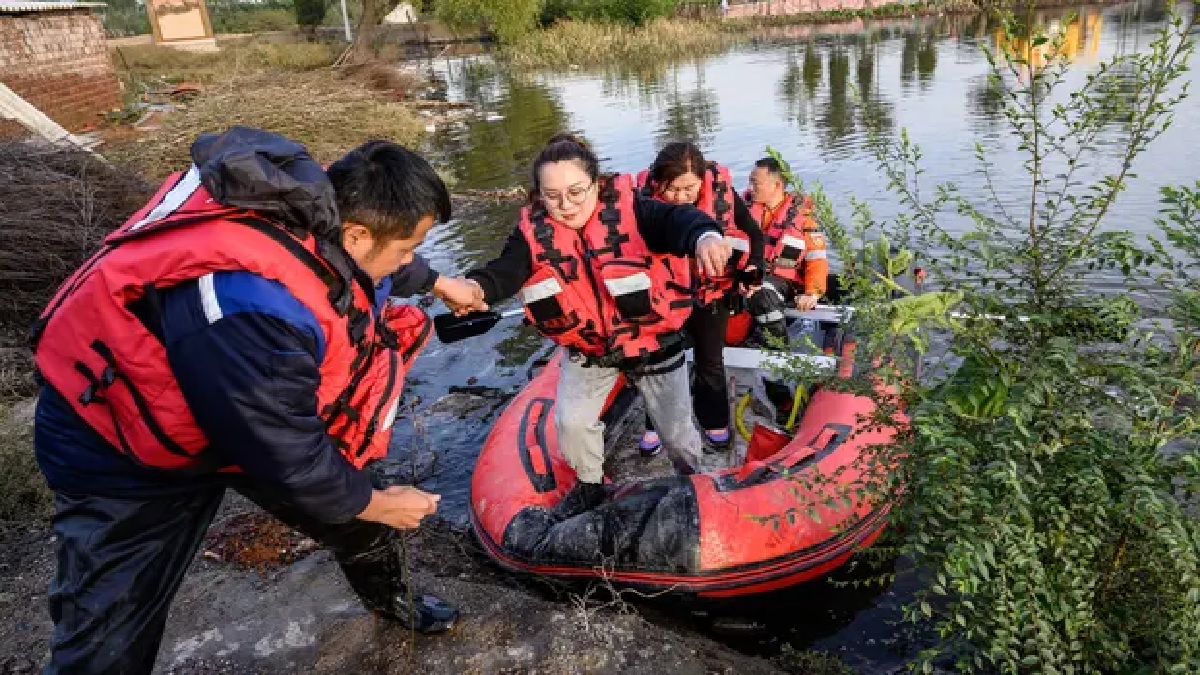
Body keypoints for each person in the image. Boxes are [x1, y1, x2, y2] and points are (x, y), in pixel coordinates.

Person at [30, 127, 484, 673]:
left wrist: (438, 282)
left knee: (357, 513)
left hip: (235, 400)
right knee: (110, 625)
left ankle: (395, 600)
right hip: (121, 443)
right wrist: (379, 502)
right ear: (357, 234)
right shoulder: (255, 310)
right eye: (409, 249)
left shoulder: (324, 213)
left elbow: (378, 258)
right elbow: (287, 455)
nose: (410, 258)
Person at [461, 134, 733, 516]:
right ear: (539, 194)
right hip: (590, 350)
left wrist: (705, 236)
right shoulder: (531, 234)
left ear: (595, 184)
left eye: (575, 192)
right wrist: (474, 287)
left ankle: (690, 479)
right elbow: (504, 272)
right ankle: (590, 486)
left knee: (676, 431)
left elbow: (677, 220)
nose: (565, 205)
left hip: (653, 341)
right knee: (571, 424)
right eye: (552, 195)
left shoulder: (634, 210)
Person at [634, 142, 764, 455]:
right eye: (672, 189)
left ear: (702, 181)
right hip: (662, 297)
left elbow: (754, 234)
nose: (681, 197)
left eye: (689, 188)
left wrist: (754, 269)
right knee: (657, 362)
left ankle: (713, 420)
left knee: (710, 360)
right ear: (657, 183)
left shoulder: (722, 193)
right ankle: (656, 423)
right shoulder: (642, 204)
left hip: (710, 293)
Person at [744, 157, 829, 344]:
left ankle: (778, 349)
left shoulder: (803, 218)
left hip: (783, 280)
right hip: (749, 272)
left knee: (762, 292)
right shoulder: (743, 209)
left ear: (777, 184)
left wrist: (812, 294)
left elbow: (817, 259)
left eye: (756, 183)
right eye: (750, 181)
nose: (750, 187)